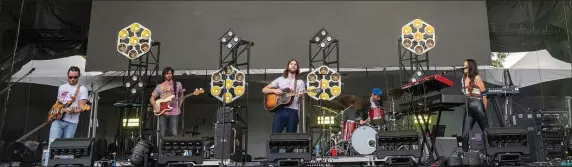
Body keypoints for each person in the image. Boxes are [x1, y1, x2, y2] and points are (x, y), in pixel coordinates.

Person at [262, 59, 305, 134]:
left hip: (293, 111)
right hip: (280, 111)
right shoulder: (280, 79)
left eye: (295, 64)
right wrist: (274, 91)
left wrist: (300, 95)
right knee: (275, 135)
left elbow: (301, 94)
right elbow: (264, 89)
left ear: (297, 68)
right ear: (288, 66)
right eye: (291, 64)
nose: (293, 65)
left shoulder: (300, 82)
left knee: (291, 137)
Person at [49, 66, 89, 143]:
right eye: (70, 77)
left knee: (65, 146)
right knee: (52, 143)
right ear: (67, 75)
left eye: (75, 77)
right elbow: (57, 103)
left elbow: (81, 107)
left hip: (71, 122)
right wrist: (54, 113)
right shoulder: (62, 87)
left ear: (79, 76)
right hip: (58, 119)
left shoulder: (83, 89)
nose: (72, 79)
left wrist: (72, 111)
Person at [461, 59, 488, 151]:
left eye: (466, 65)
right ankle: (465, 154)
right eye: (463, 65)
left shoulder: (477, 78)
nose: (464, 67)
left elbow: (484, 94)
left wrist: (484, 109)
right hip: (469, 107)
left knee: (486, 132)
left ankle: (492, 152)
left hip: (478, 105)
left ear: (470, 66)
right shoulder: (463, 79)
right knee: (464, 135)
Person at [151, 67, 184, 137]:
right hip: (163, 112)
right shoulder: (160, 86)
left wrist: (179, 107)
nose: (169, 75)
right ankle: (161, 147)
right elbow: (152, 98)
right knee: (162, 134)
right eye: (167, 73)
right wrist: (155, 106)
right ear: (164, 75)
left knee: (174, 133)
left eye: (170, 73)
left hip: (174, 112)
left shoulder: (178, 84)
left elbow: (182, 97)